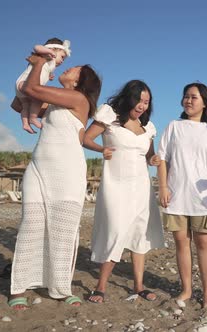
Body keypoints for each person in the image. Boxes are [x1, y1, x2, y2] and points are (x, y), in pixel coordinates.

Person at [7, 53, 102, 310]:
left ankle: (60, 288)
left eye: (75, 69)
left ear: (81, 81)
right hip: (38, 168)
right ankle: (19, 286)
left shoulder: (79, 99)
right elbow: (19, 103)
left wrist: (39, 61)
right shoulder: (54, 101)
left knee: (63, 230)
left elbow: (33, 89)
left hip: (67, 171)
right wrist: (33, 68)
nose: (68, 67)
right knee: (31, 224)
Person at [82, 80, 165, 303]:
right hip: (115, 184)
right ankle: (100, 286)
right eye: (139, 100)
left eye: (146, 102)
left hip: (141, 186)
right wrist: (102, 149)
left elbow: (149, 156)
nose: (142, 105)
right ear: (129, 97)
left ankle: (138, 286)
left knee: (140, 233)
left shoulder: (148, 127)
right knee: (116, 230)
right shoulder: (110, 115)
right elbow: (85, 138)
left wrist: (153, 159)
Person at [156, 82, 207, 308]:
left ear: (205, 102)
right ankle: (186, 290)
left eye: (193, 97)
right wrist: (164, 187)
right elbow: (162, 159)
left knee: (204, 243)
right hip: (177, 194)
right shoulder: (174, 126)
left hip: (204, 198)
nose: (188, 100)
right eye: (186, 96)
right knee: (181, 242)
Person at [14, 37, 71, 134]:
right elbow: (36, 47)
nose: (62, 61)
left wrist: (49, 76)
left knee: (26, 106)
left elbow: (42, 73)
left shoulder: (50, 64)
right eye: (62, 57)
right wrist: (49, 52)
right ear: (54, 49)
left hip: (22, 87)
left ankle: (25, 124)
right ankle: (33, 117)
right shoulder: (47, 55)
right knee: (41, 96)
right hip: (25, 82)